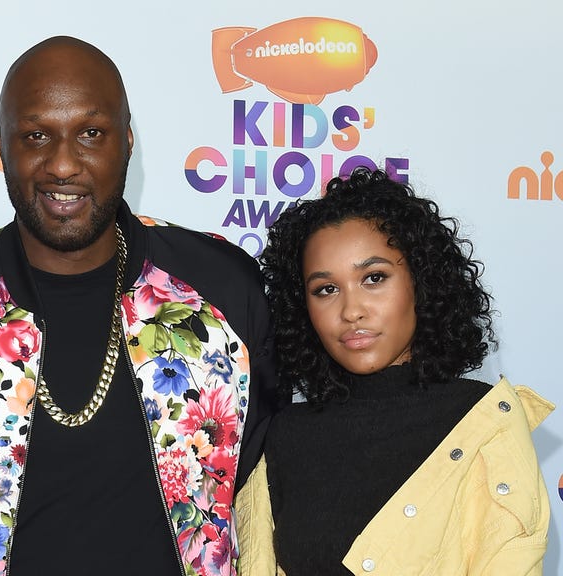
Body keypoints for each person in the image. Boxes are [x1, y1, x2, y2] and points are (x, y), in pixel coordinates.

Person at [0, 36, 278, 576]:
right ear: (1, 150)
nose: (63, 164)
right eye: (36, 135)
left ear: (127, 141)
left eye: (90, 133)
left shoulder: (223, 286)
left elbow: (260, 498)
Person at [237, 167, 554, 575]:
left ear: (421, 282)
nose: (351, 311)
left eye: (374, 278)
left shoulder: (482, 423)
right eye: (326, 289)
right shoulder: (285, 435)